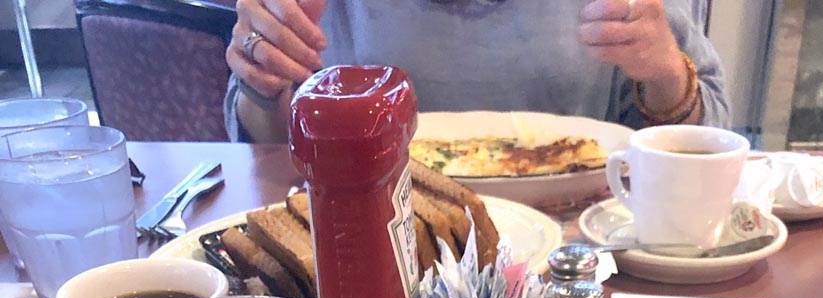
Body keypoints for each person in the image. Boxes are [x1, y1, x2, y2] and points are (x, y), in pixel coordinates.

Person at [224, 0, 730, 145]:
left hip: (574, 259)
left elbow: (710, 141)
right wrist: (263, 78)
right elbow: (262, 140)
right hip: (362, 244)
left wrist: (664, 74)